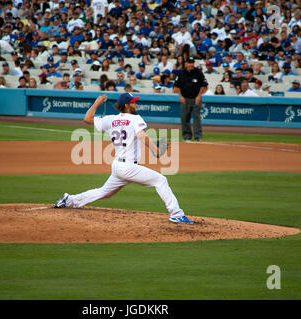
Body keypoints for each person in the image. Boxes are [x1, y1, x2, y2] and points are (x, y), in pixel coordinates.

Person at [53, 93, 194, 225]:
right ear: (126, 105)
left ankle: (70, 200)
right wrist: (156, 151)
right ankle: (176, 213)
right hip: (128, 167)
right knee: (161, 180)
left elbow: (87, 119)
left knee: (104, 192)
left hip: (118, 167)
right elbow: (141, 136)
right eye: (133, 102)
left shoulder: (111, 119)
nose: (136, 104)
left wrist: (97, 103)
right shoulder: (135, 118)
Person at [173, 56, 208, 142]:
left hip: (196, 98)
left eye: (192, 63)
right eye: (189, 63)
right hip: (185, 99)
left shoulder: (198, 73)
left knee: (197, 118)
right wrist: (180, 96)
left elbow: (204, 86)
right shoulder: (181, 73)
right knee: (184, 118)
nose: (191, 64)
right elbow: (176, 87)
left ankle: (198, 137)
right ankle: (187, 137)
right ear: (186, 63)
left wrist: (199, 96)